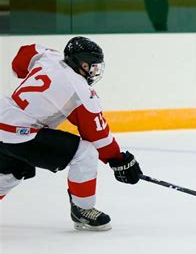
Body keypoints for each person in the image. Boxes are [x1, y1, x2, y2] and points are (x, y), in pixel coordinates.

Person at [0, 37, 143, 230]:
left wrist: (24, 74)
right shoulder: (80, 90)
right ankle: (83, 210)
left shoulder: (50, 57)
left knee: (13, 170)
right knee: (85, 153)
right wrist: (119, 160)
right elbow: (96, 135)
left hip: (5, 118)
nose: (93, 71)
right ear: (80, 63)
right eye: (91, 66)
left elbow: (24, 54)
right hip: (22, 132)